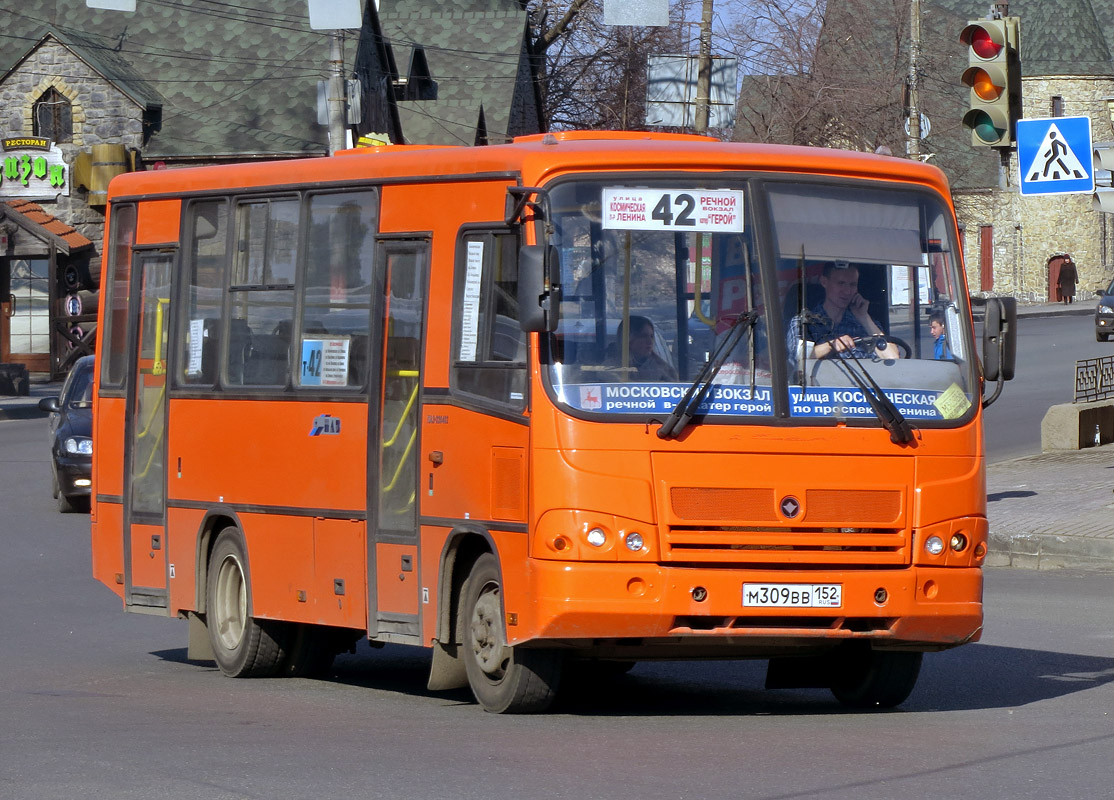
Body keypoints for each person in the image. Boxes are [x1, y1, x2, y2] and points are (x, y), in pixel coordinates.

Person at [786, 261, 900, 369]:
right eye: (841, 283)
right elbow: (797, 359)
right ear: (824, 282)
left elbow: (893, 359)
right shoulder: (804, 323)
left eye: (852, 285)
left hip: (867, 387)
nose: (847, 291)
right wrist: (831, 345)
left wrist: (864, 318)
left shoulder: (865, 323)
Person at [611, 315, 677, 381]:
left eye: (651, 336)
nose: (650, 341)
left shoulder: (659, 367)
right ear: (628, 339)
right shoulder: (610, 368)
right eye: (643, 336)